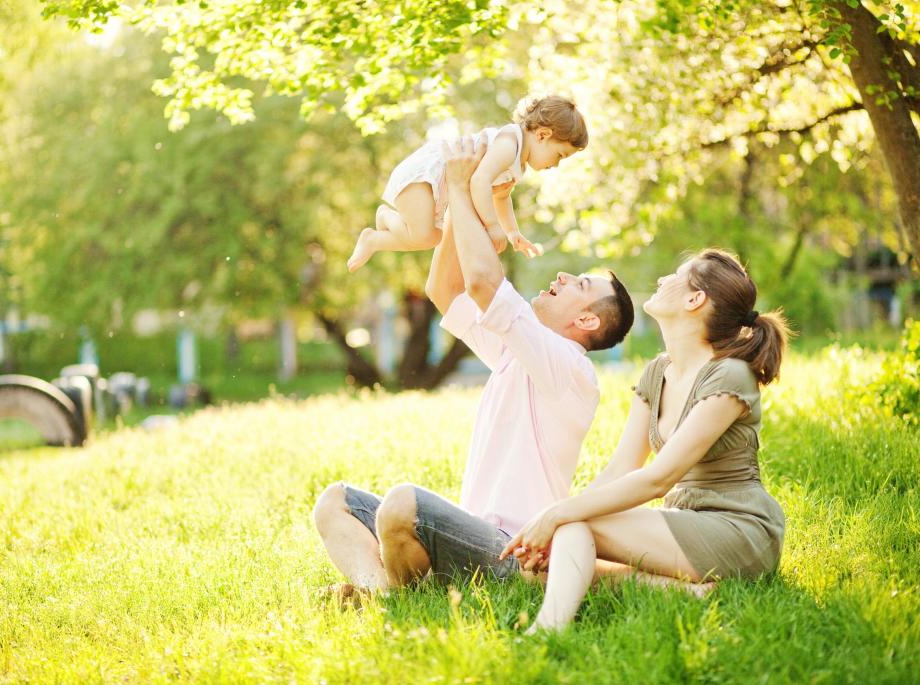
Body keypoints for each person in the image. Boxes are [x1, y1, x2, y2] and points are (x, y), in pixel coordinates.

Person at [313, 134, 633, 599]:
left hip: (510, 553)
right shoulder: (517, 352)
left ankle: (395, 597)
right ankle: (379, 595)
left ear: (587, 320)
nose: (562, 277)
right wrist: (452, 204)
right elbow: (446, 290)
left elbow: (482, 281)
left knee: (403, 504)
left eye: (579, 283)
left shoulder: (568, 368)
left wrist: (464, 188)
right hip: (466, 536)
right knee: (335, 502)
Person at [501, 249, 790, 633]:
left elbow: (658, 479)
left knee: (573, 531)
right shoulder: (657, 372)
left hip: (737, 529)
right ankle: (683, 592)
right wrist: (562, 516)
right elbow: (622, 467)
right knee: (548, 565)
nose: (661, 281)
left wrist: (558, 514)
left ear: (695, 299)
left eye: (675, 275)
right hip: (683, 522)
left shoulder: (730, 376)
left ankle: (547, 632)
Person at [346, 95, 588, 271]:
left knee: (431, 237)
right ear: (543, 135)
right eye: (560, 155)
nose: (556, 165)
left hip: (439, 186)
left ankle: (379, 234)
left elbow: (501, 196)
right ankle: (382, 224)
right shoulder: (509, 143)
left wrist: (512, 231)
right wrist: (492, 226)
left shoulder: (518, 163)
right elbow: (479, 181)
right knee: (422, 236)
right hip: (428, 174)